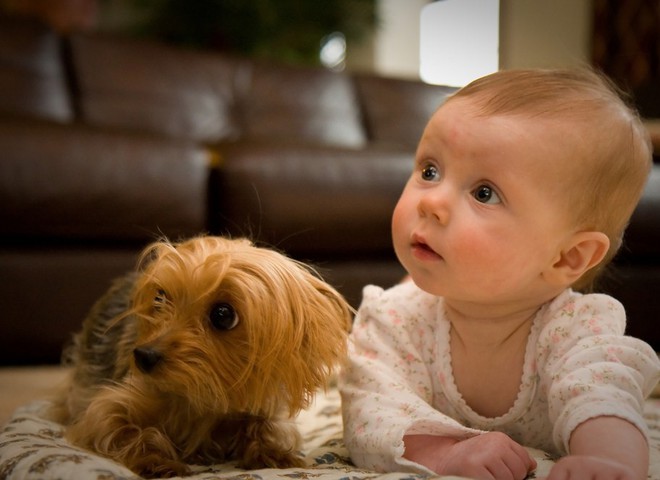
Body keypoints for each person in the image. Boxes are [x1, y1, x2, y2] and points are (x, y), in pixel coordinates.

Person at [339, 68, 660, 480]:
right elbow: (369, 410)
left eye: (484, 193)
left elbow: (605, 396)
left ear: (568, 257)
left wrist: (608, 462)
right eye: (429, 170)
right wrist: (444, 453)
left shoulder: (576, 329)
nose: (431, 201)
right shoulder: (394, 319)